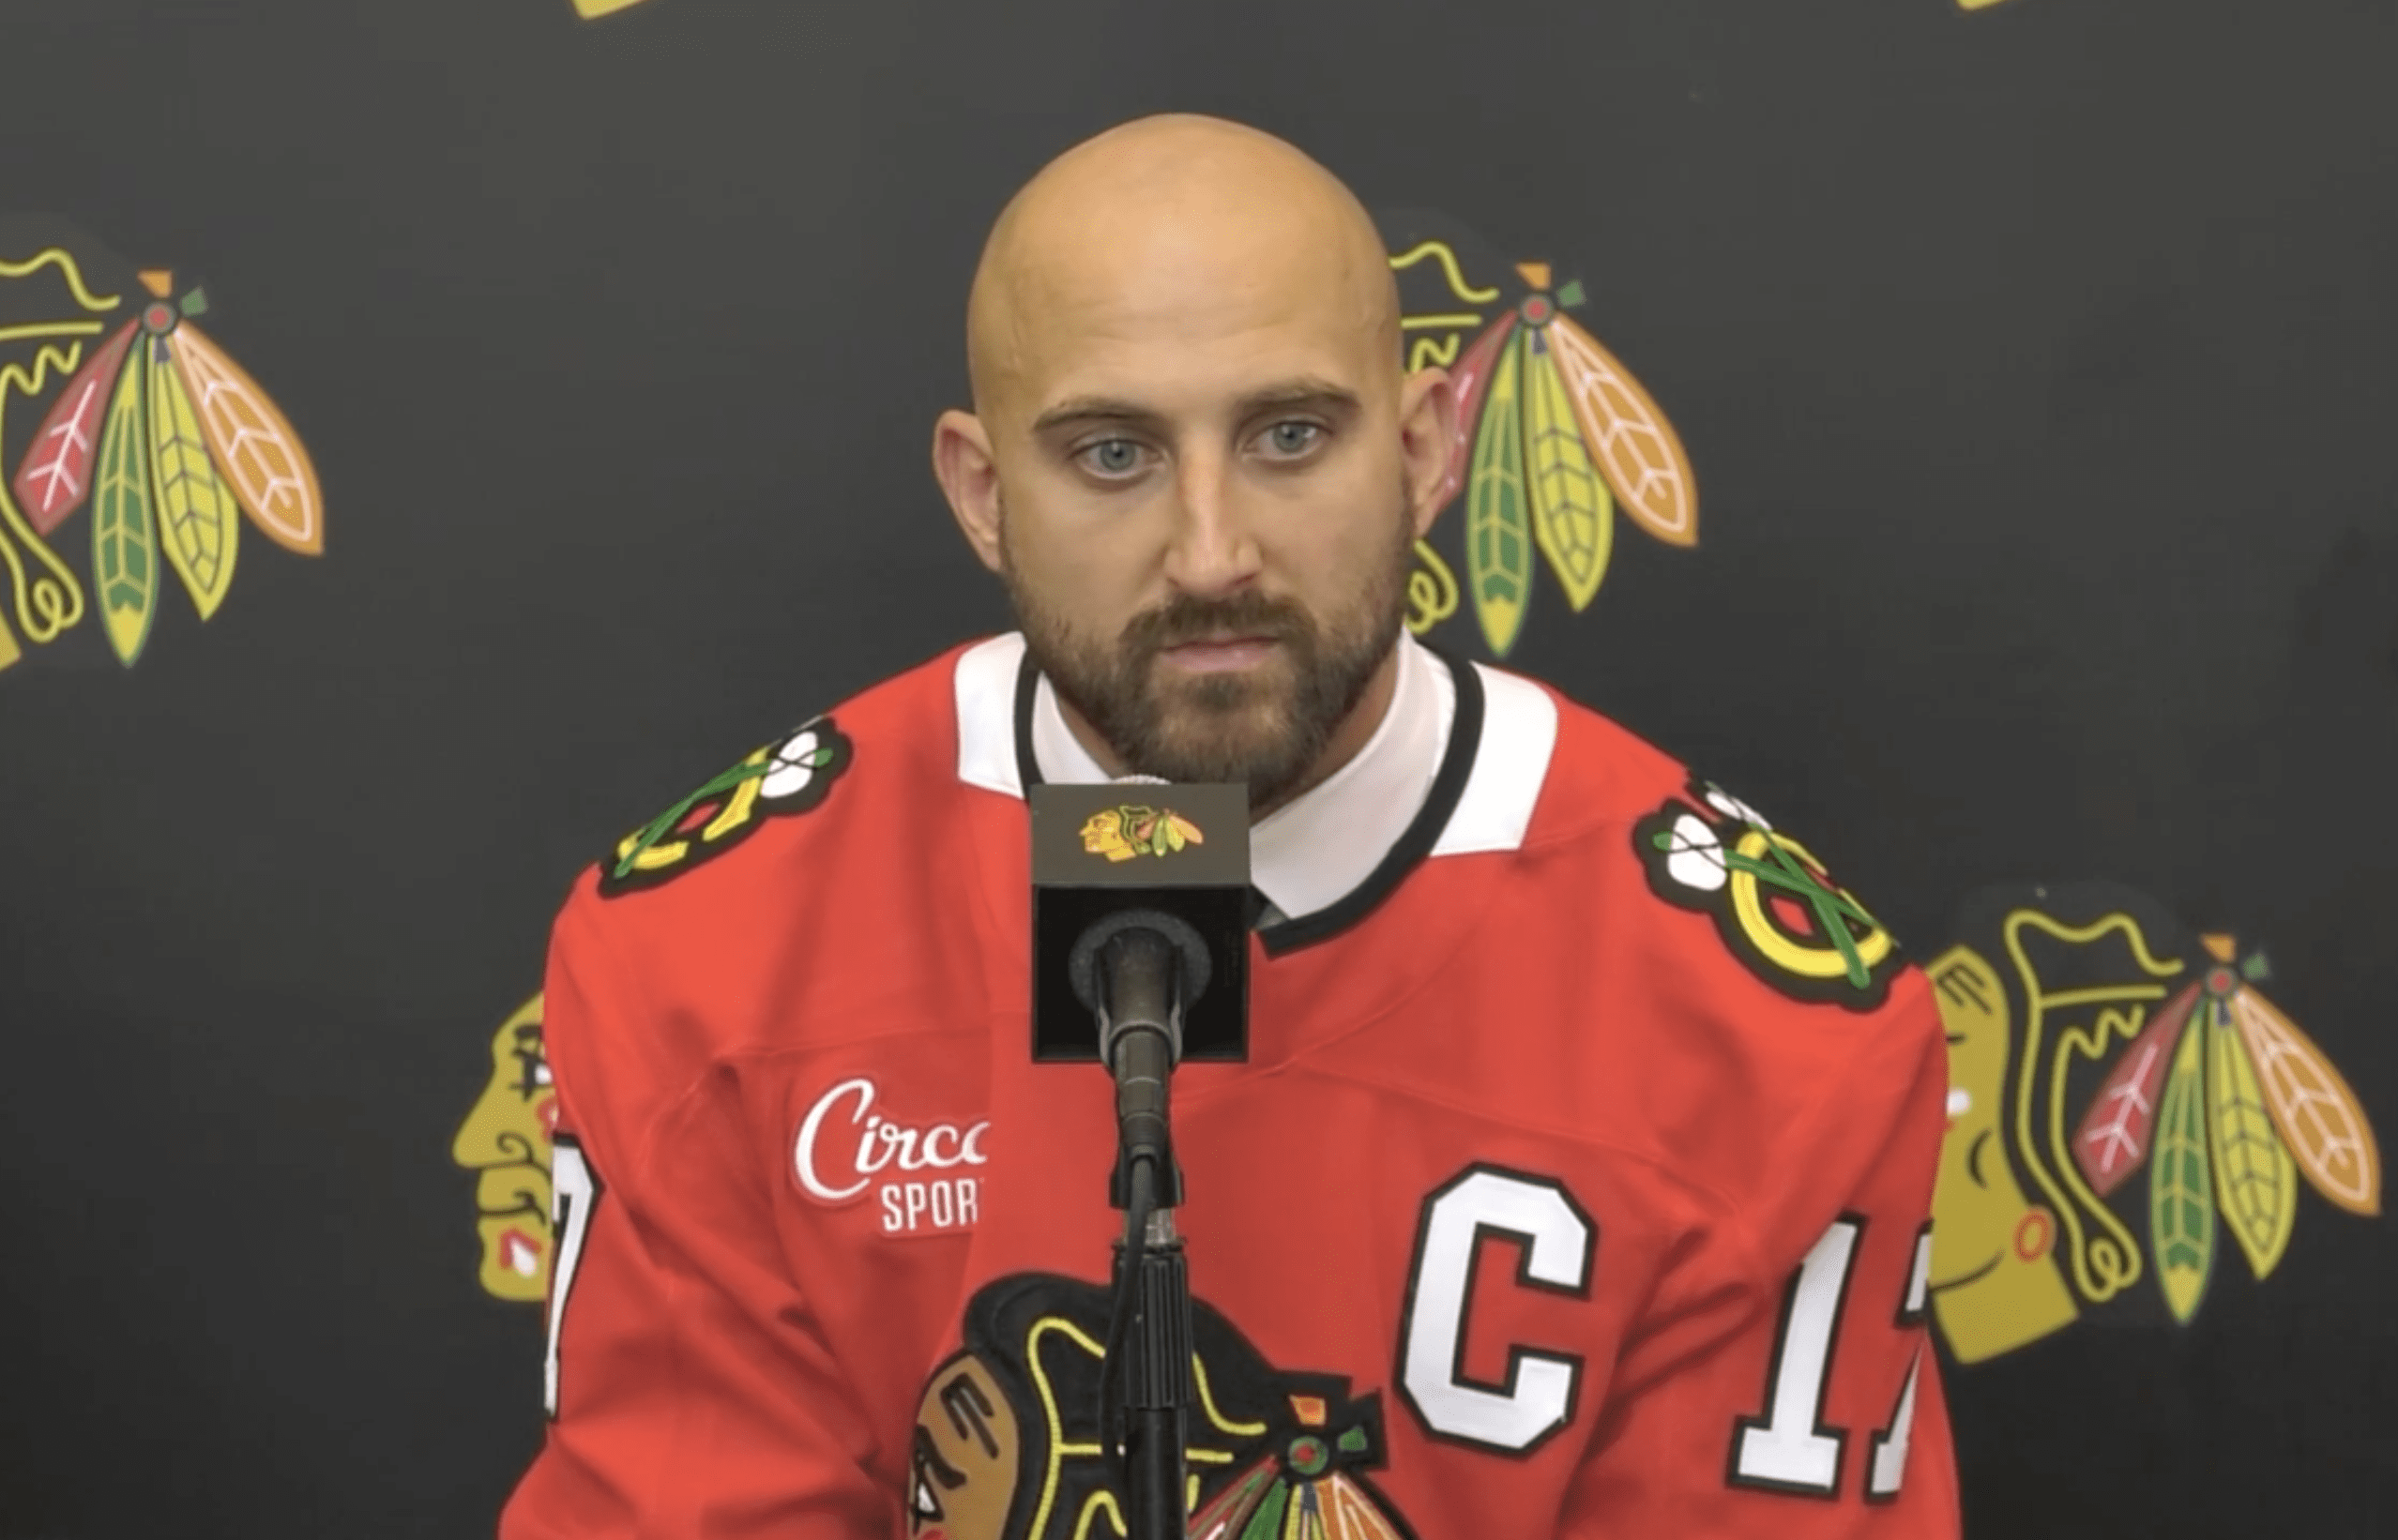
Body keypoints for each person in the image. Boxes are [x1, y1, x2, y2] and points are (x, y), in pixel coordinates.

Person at [497, 113, 1961, 1538]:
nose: (1212, 555)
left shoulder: (1766, 1028)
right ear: (983, 494)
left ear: (1427, 448)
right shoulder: (706, 953)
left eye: (1288, 433)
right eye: (1113, 455)